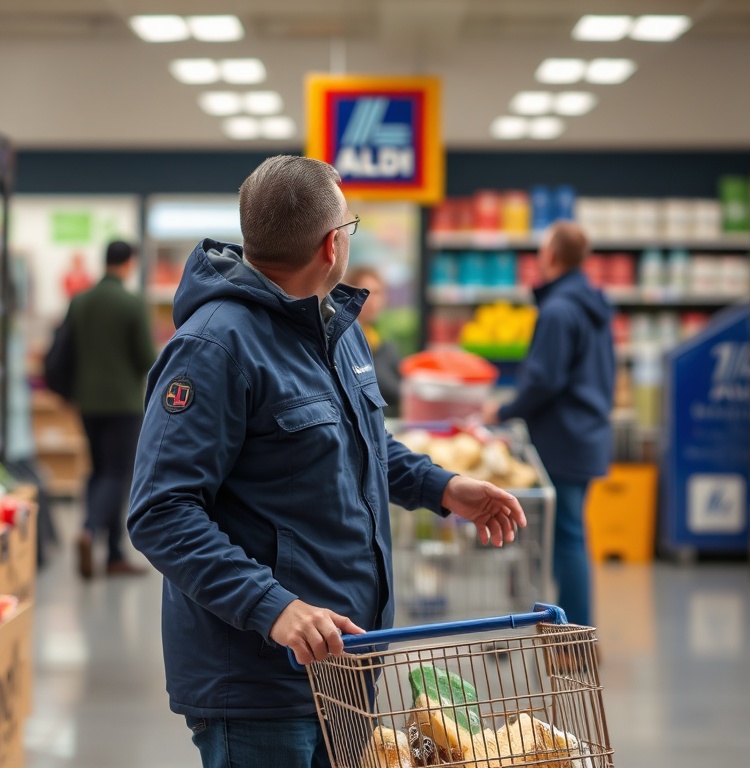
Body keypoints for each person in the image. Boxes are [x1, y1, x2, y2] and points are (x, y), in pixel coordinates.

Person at [127, 155, 526, 768]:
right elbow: (161, 512)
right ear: (331, 244)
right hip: (262, 681)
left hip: (349, 663)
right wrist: (273, 607)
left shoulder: (336, 327)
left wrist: (443, 488)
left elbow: (361, 445)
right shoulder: (214, 348)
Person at [481, 221, 614, 628]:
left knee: (567, 539)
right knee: (568, 536)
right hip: (587, 432)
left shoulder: (558, 309)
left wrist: (502, 411)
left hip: (562, 436)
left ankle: (575, 637)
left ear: (551, 256)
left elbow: (545, 380)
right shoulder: (592, 303)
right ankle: (572, 632)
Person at [69, 240, 157, 579]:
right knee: (117, 474)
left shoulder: (81, 301)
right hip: (123, 402)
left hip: (87, 401)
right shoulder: (132, 304)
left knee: (98, 470)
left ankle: (113, 553)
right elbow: (147, 358)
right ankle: (91, 531)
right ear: (129, 263)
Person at [343, 265, 402, 413]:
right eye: (366, 292)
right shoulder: (342, 343)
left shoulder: (384, 344)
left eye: (377, 293)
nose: (372, 300)